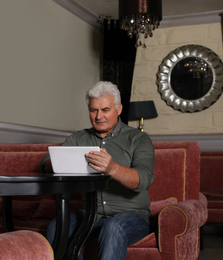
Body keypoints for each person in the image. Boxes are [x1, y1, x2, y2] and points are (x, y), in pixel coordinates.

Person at [40, 81, 155, 260]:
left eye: (105, 110)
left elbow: (144, 179)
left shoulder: (138, 138)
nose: (99, 116)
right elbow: (46, 162)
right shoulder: (79, 137)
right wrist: (62, 161)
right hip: (90, 214)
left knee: (113, 227)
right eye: (94, 110)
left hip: (132, 216)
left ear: (119, 108)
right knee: (56, 227)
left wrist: (113, 168)